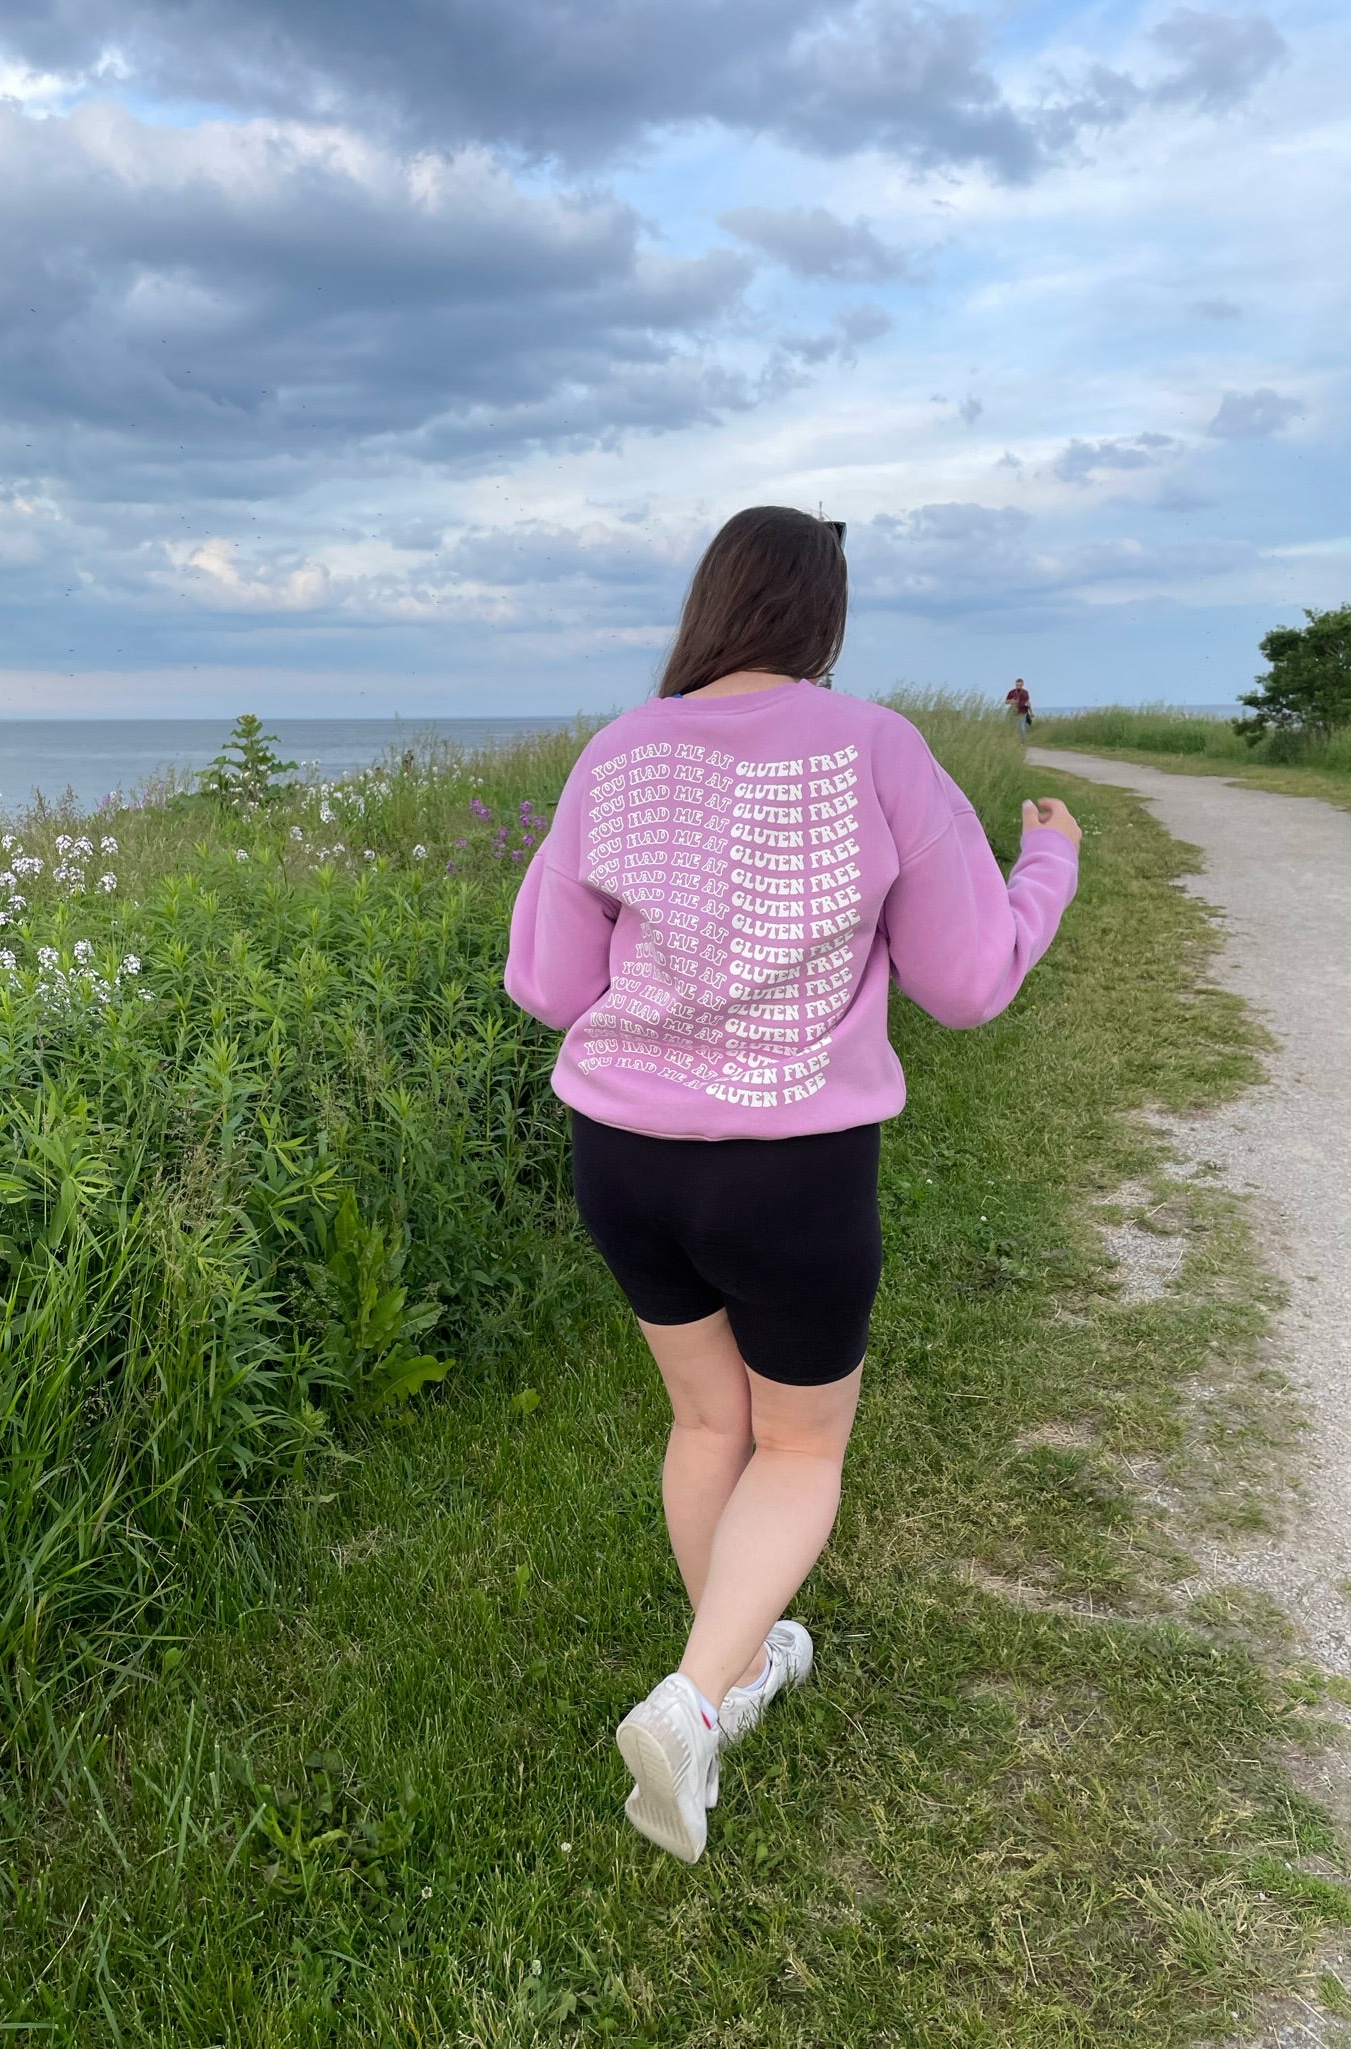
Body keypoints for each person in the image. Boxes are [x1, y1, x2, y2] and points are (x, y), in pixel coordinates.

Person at [503, 506, 1081, 1863]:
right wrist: (1046, 858)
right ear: (822, 619)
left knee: (709, 1424)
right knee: (802, 1443)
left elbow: (548, 982)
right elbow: (968, 978)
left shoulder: (617, 750)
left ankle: (728, 1669)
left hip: (623, 1160)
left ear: (709, 607)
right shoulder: (876, 745)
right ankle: (699, 1697)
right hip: (793, 1171)